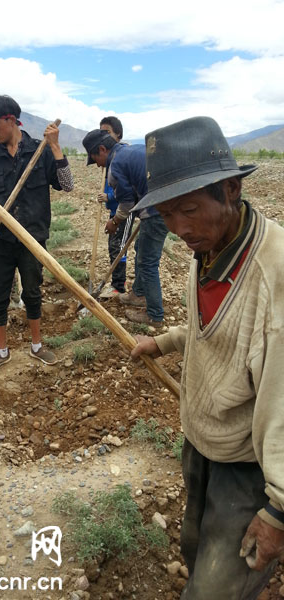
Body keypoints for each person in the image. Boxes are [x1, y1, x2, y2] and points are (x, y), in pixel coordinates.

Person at [131, 116, 284, 599]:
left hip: (251, 467)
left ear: (232, 189)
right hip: (203, 440)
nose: (179, 229)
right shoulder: (213, 244)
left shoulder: (274, 277)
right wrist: (168, 340)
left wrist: (278, 510)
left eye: (190, 209)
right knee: (196, 544)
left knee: (217, 588)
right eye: (166, 215)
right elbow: (219, 328)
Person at [0, 95, 74, 372]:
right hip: (1, 241)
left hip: (33, 239)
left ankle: (37, 346)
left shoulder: (41, 151)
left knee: (32, 292)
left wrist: (55, 146)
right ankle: (1, 351)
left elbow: (67, 185)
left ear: (11, 120)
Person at [82, 128, 168, 327]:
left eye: (95, 159)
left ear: (102, 149)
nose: (98, 165)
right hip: (160, 205)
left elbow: (127, 203)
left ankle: (155, 315)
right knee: (141, 250)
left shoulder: (116, 165)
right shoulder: (131, 150)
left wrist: (114, 222)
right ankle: (138, 293)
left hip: (157, 211)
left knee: (147, 262)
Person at [96, 116, 133, 297]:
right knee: (113, 245)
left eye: (107, 132)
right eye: (101, 132)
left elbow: (127, 190)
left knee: (118, 246)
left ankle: (118, 286)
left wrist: (109, 196)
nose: (104, 136)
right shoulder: (109, 158)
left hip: (124, 210)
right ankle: (117, 284)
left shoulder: (122, 157)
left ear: (118, 134)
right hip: (115, 209)